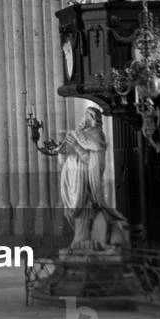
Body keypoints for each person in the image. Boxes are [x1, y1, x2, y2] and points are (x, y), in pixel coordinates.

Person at [59, 106, 128, 251]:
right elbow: (66, 156)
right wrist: (62, 150)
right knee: (73, 210)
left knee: (83, 209)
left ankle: (82, 240)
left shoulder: (97, 135)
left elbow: (91, 159)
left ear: (93, 118)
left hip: (84, 182)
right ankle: (80, 240)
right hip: (73, 180)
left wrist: (76, 145)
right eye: (85, 115)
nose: (85, 119)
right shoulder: (80, 134)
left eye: (88, 116)